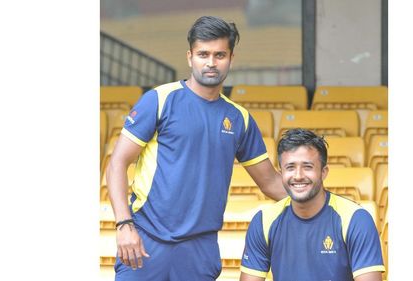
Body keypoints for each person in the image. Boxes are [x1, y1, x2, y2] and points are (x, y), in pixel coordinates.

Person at [106, 16, 287, 281]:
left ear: (231, 58)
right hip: (146, 241)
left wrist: (327, 205)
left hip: (200, 249)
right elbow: (117, 164)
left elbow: (271, 182)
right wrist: (124, 225)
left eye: (219, 55)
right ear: (190, 57)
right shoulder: (159, 100)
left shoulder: (239, 119)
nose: (211, 62)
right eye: (203, 54)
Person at [240, 128, 385, 281]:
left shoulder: (355, 220)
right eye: (290, 167)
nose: (298, 176)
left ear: (324, 172)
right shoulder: (264, 221)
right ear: (281, 172)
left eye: (307, 167)